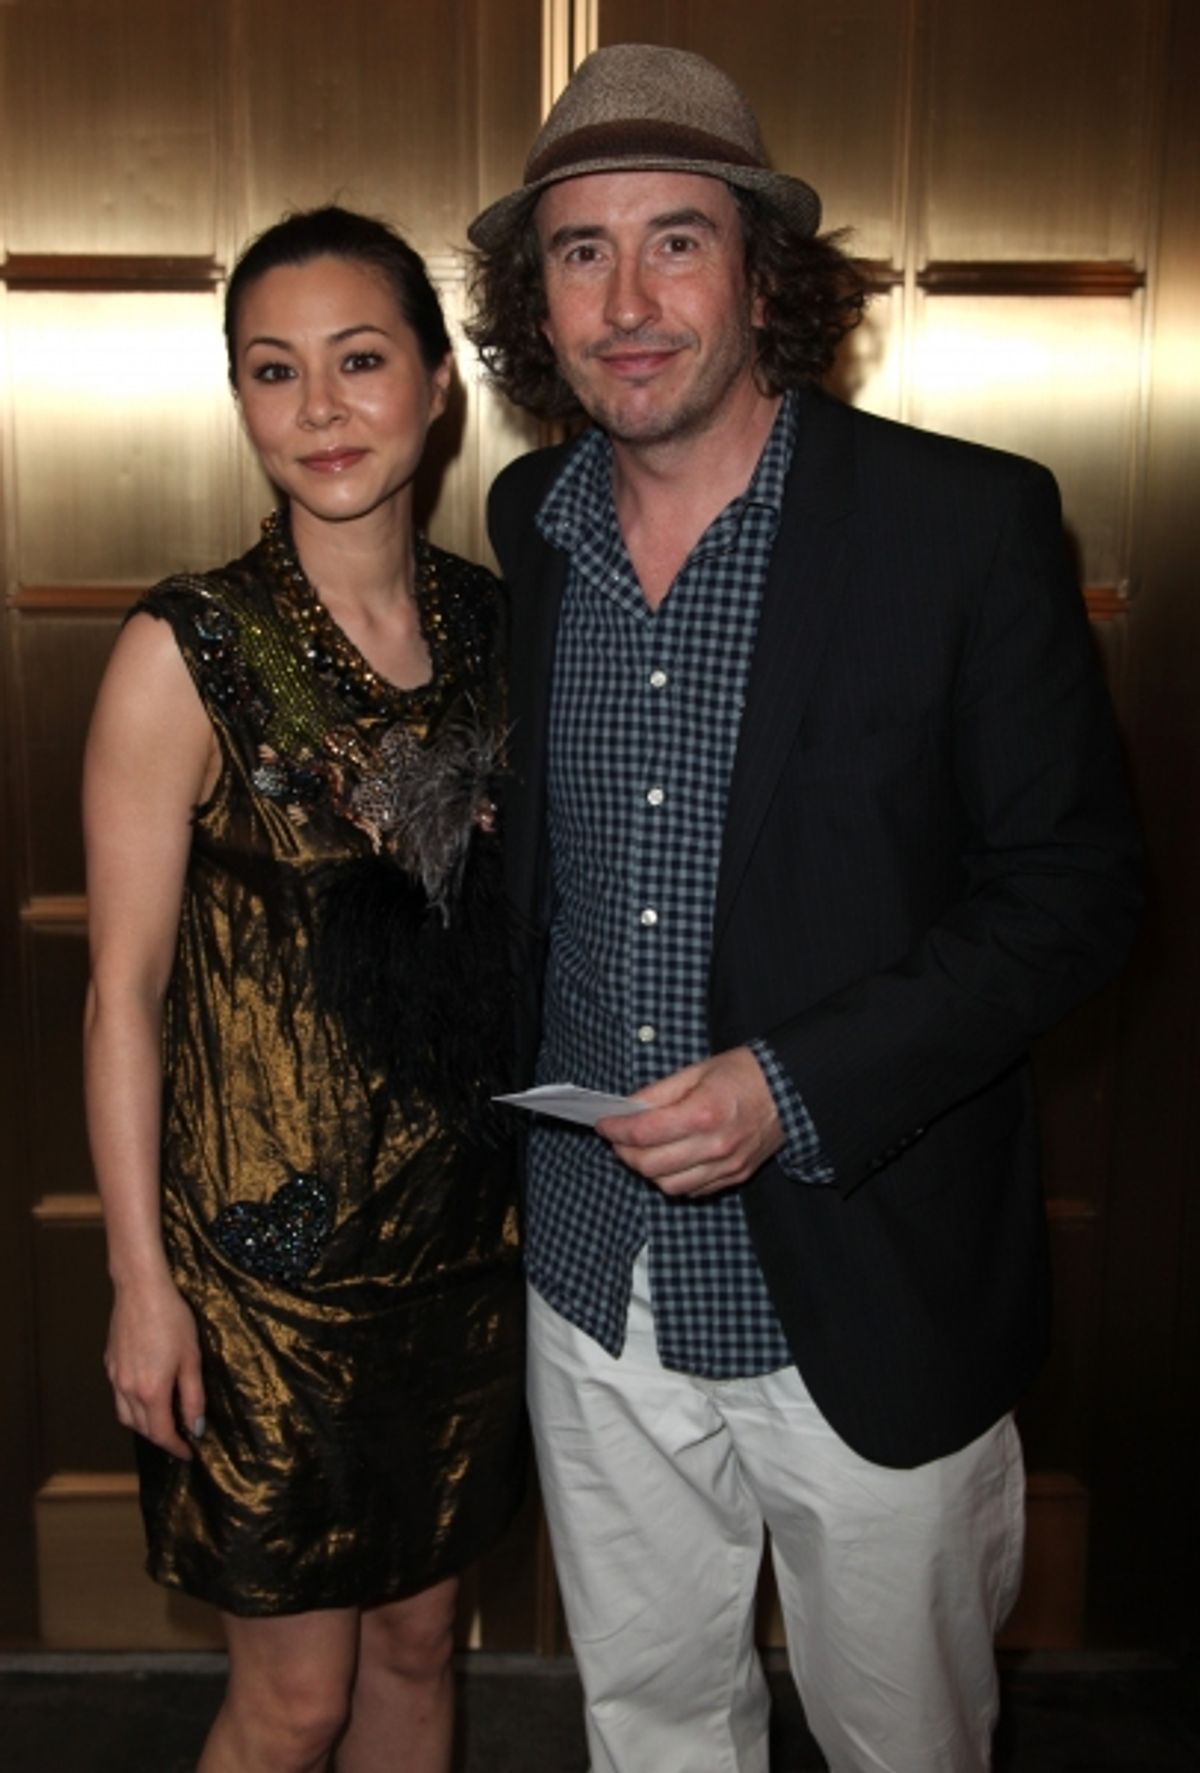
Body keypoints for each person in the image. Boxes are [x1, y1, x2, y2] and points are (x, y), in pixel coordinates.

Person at [467, 42, 1142, 1773]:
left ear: (764, 274)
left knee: (903, 1743)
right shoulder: (531, 522)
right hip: (595, 1287)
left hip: (869, 1285)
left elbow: (1075, 891)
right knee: (652, 1730)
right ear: (535, 302)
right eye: (581, 251)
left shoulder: (964, 525)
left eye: (677, 241)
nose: (629, 301)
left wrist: (792, 1084)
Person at [83, 205, 524, 1773]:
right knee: (294, 1703)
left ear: (438, 384)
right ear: (241, 400)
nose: (321, 408)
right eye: (275, 371)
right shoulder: (186, 646)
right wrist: (142, 1284)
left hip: (465, 1250)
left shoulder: (500, 627)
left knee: (418, 1650)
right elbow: (122, 992)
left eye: (359, 361)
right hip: (261, 1278)